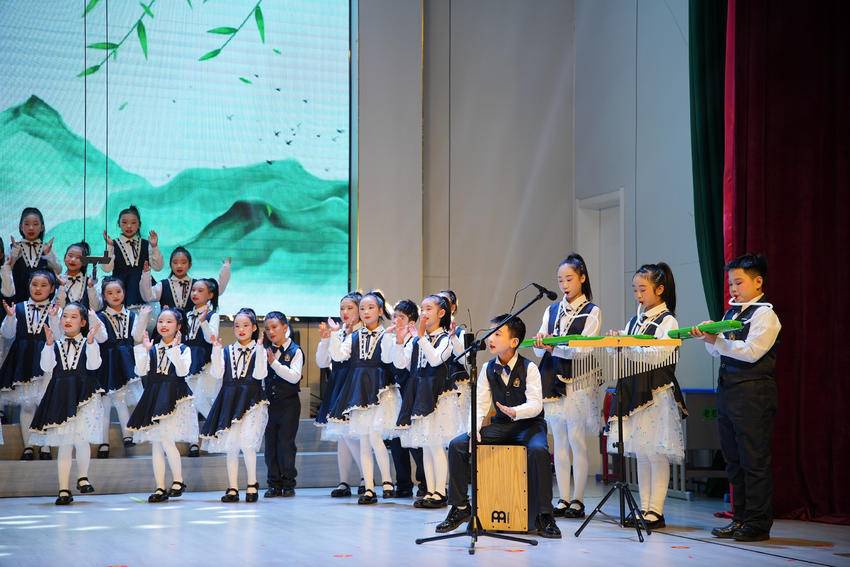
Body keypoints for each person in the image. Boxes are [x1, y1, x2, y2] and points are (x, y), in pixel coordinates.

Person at [692, 253, 780, 542]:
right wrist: (708, 338)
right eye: (730, 283)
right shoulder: (731, 314)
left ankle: (757, 523)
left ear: (758, 282)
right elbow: (717, 351)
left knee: (754, 460)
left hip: (754, 393)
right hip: (728, 391)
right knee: (733, 460)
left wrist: (717, 340)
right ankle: (739, 517)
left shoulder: (764, 314)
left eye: (739, 282)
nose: (733, 288)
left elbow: (752, 352)